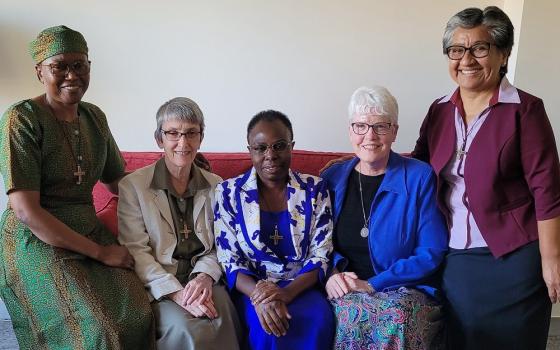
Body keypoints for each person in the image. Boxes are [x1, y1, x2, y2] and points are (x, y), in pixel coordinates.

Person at [412, 6, 560, 349]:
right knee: (461, 338)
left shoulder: (525, 109)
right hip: (455, 254)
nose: (467, 59)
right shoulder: (439, 110)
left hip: (515, 254)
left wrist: (552, 260)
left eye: (480, 48)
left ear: (503, 53)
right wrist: (355, 163)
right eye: (456, 50)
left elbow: (547, 188)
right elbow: (417, 165)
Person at [0, 25, 154, 349]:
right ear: (39, 71)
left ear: (89, 68)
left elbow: (117, 181)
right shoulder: (21, 119)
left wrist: (172, 171)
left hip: (87, 229)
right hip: (37, 240)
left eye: (79, 65)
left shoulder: (94, 117)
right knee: (97, 327)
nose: (72, 75)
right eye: (60, 66)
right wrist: (101, 253)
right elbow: (26, 211)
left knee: (138, 313)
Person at [320, 86, 448, 350]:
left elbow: (430, 252)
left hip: (403, 289)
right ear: (350, 130)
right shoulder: (332, 178)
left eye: (380, 126)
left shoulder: (419, 177)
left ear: (395, 131)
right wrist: (332, 273)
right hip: (344, 286)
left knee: (395, 317)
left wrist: (372, 284)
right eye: (360, 126)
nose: (370, 135)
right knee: (344, 316)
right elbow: (317, 242)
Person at [117, 97, 241, 349]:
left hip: (204, 279)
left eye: (191, 133)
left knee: (220, 318)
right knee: (186, 329)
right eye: (173, 133)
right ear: (159, 139)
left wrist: (204, 277)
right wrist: (176, 292)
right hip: (159, 284)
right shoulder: (133, 187)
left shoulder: (217, 186)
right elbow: (136, 251)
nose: (182, 143)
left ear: (200, 138)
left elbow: (224, 244)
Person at [214, 110, 335, 349]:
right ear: (249, 150)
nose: (270, 155)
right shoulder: (228, 192)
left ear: (292, 147)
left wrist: (287, 293)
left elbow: (321, 254)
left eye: (279, 146)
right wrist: (260, 296)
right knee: (267, 327)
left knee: (319, 320)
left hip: (301, 287)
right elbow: (228, 258)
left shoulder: (315, 189)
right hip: (252, 289)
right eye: (260, 148)